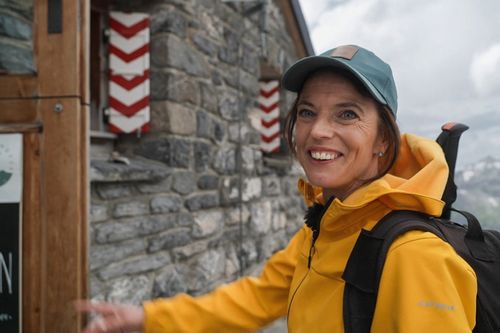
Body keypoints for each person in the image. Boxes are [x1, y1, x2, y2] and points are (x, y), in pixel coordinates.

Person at [76, 45, 477, 332]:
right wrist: (147, 319)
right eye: (307, 112)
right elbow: (256, 298)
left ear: (383, 141)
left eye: (347, 114)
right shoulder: (326, 226)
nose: (318, 131)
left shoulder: (415, 257)